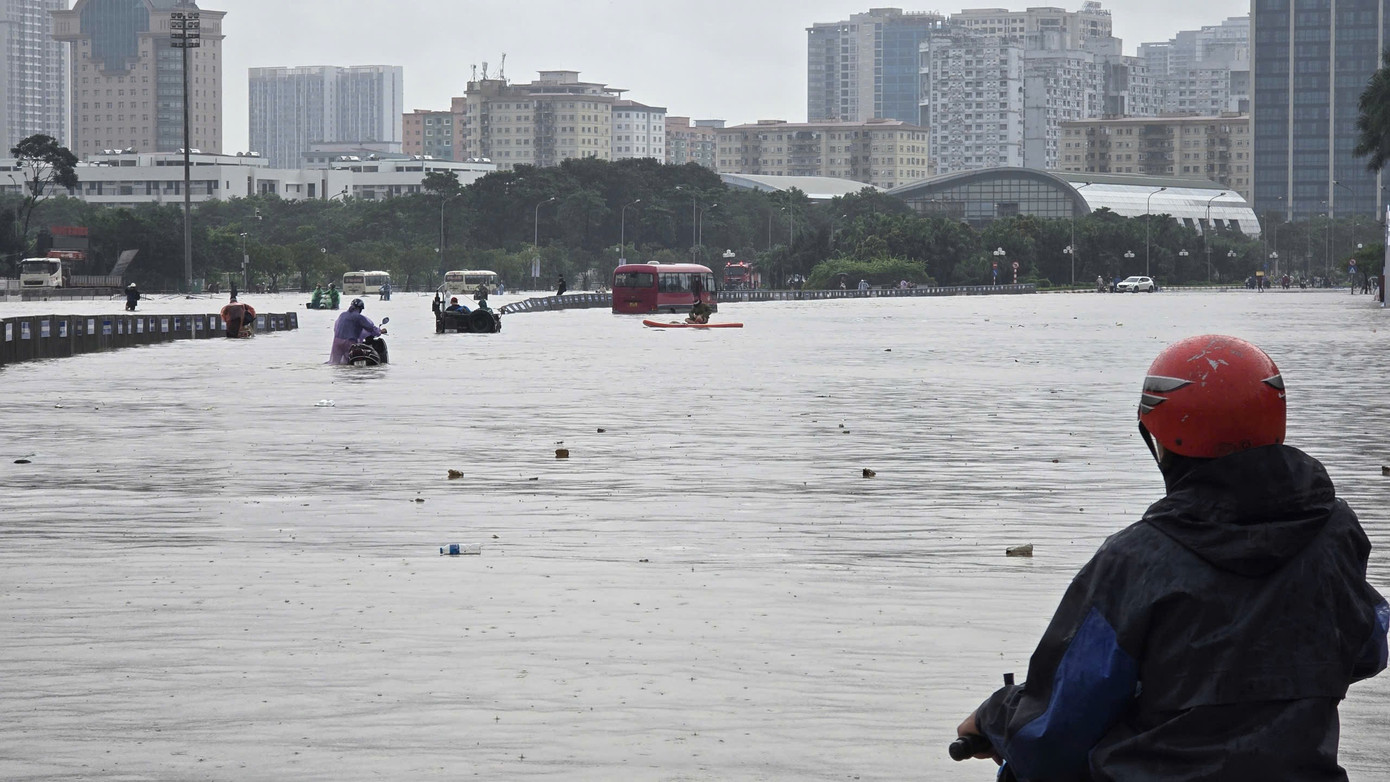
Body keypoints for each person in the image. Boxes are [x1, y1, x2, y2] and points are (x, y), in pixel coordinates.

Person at [956, 335, 1388, 781]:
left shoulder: (1137, 560)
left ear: (1158, 439)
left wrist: (995, 717)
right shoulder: (1335, 530)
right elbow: (1367, 648)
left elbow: (1055, 730)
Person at [328, 298, 383, 364]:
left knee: (335, 363)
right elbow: (371, 328)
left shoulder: (342, 315)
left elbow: (336, 327)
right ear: (360, 308)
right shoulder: (359, 317)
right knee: (348, 363)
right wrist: (379, 331)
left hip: (337, 341)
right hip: (349, 342)